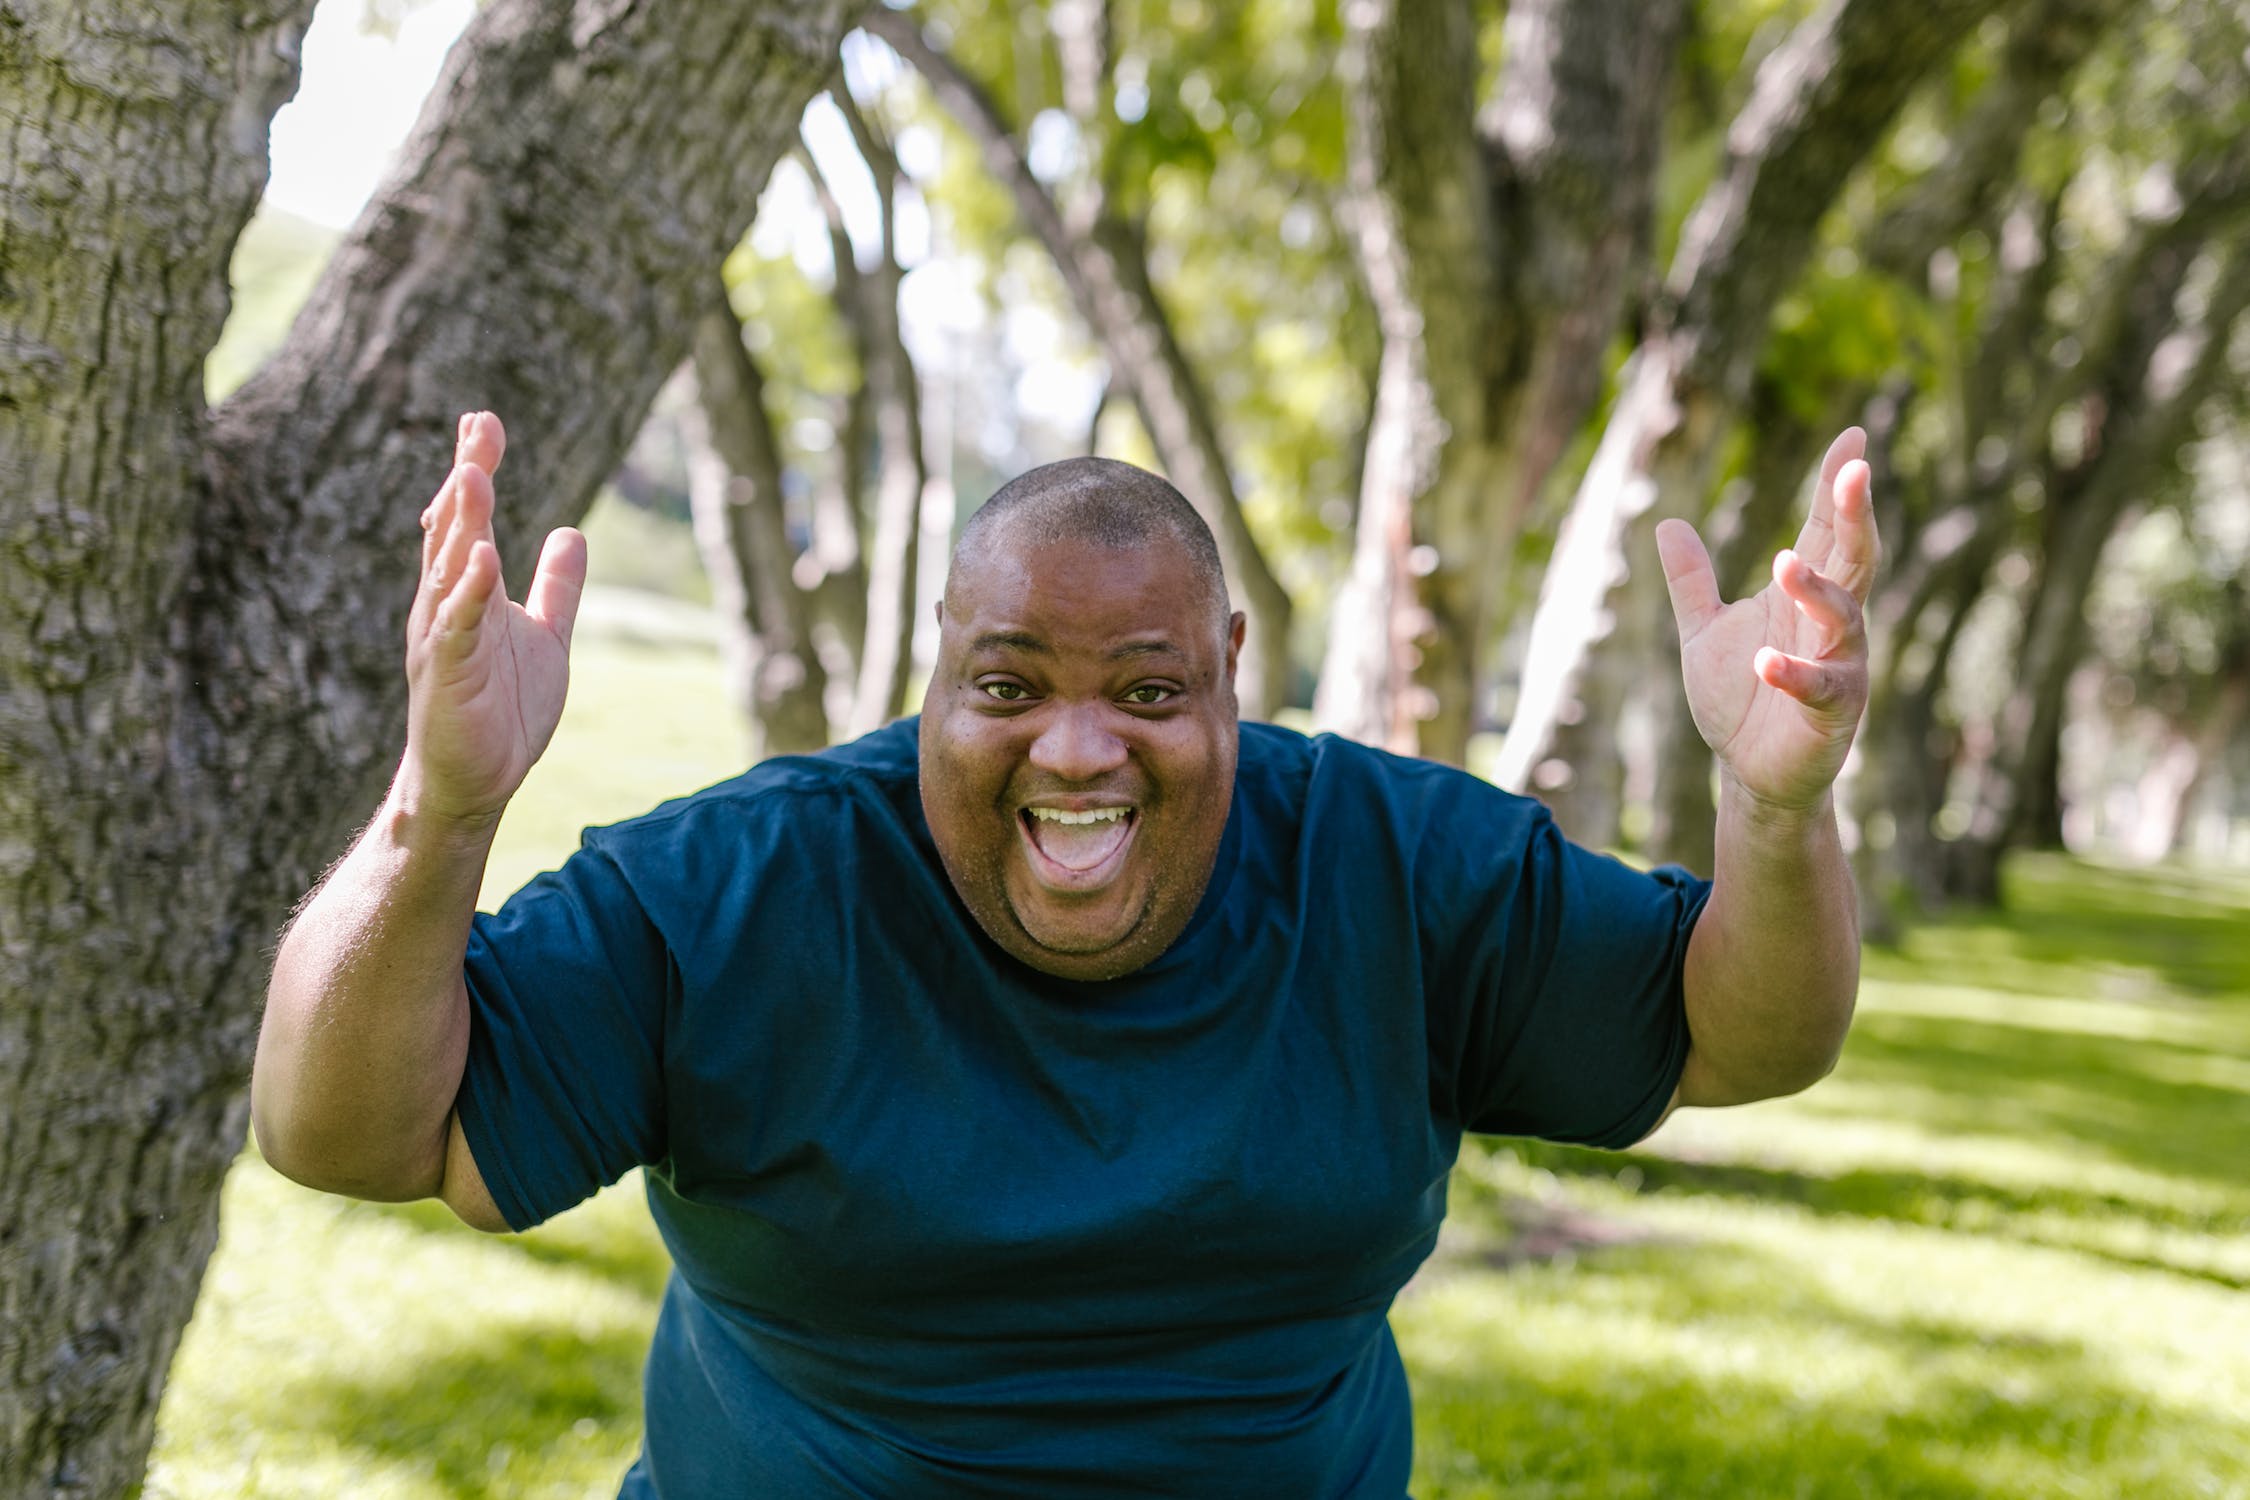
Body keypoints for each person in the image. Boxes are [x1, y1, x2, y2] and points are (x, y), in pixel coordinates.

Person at [253, 411, 1878, 1498]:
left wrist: (1774, 805)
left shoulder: (1390, 864)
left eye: (1149, 692)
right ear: (936, 671)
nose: (1075, 752)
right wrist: (439, 807)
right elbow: (345, 1134)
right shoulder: (745, 883)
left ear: (1230, 672)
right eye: (1012, 686)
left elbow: (1739, 1039)